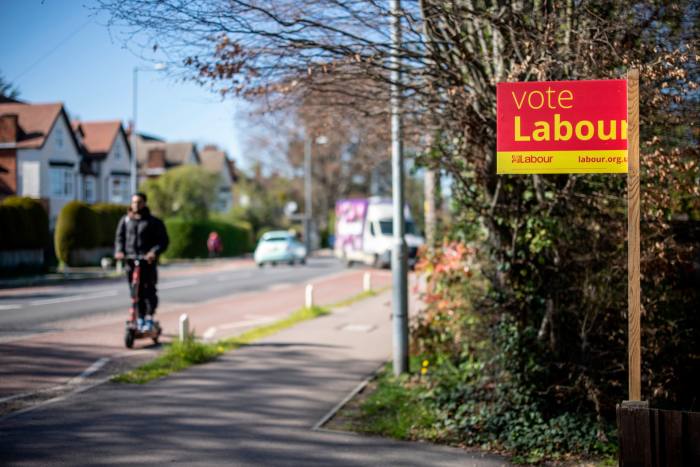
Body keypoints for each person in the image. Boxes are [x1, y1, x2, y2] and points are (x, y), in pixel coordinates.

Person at [114, 193, 169, 332]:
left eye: (139, 202)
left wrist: (153, 252)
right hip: (131, 262)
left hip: (147, 263)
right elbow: (119, 239)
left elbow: (163, 241)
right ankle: (139, 318)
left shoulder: (153, 222)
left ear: (144, 203)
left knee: (149, 291)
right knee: (135, 293)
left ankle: (149, 317)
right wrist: (120, 251)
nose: (135, 205)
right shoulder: (125, 221)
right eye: (133, 202)